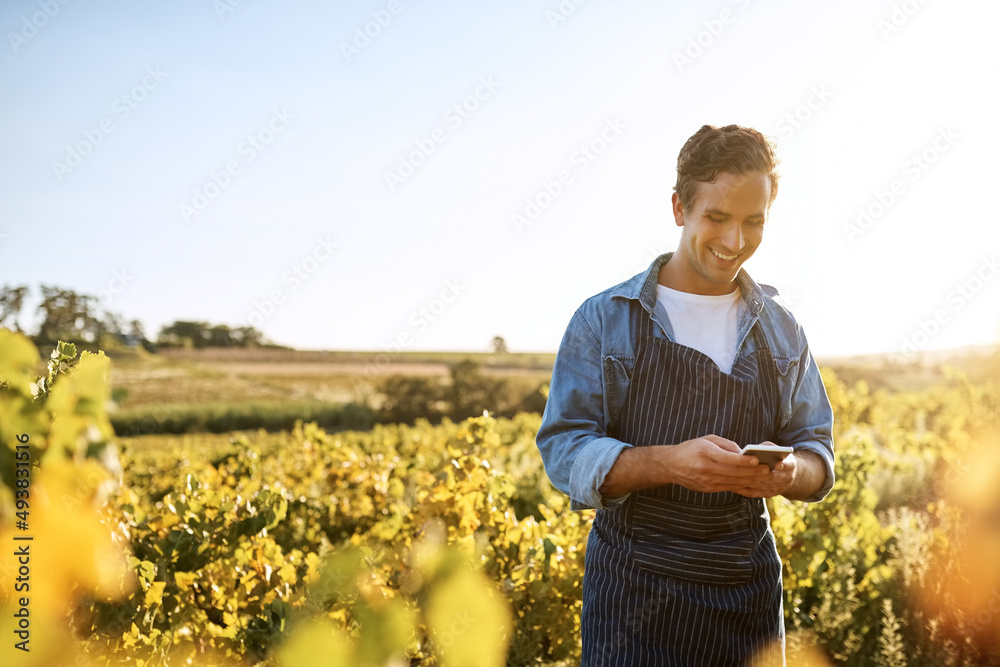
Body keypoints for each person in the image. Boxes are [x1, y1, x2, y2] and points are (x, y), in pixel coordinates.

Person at [535, 124, 835, 666]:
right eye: (716, 217)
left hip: (745, 600)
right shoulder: (605, 320)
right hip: (632, 600)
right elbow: (564, 450)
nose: (734, 241)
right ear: (679, 207)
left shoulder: (782, 330)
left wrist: (790, 472)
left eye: (753, 221)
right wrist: (669, 465)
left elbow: (817, 450)